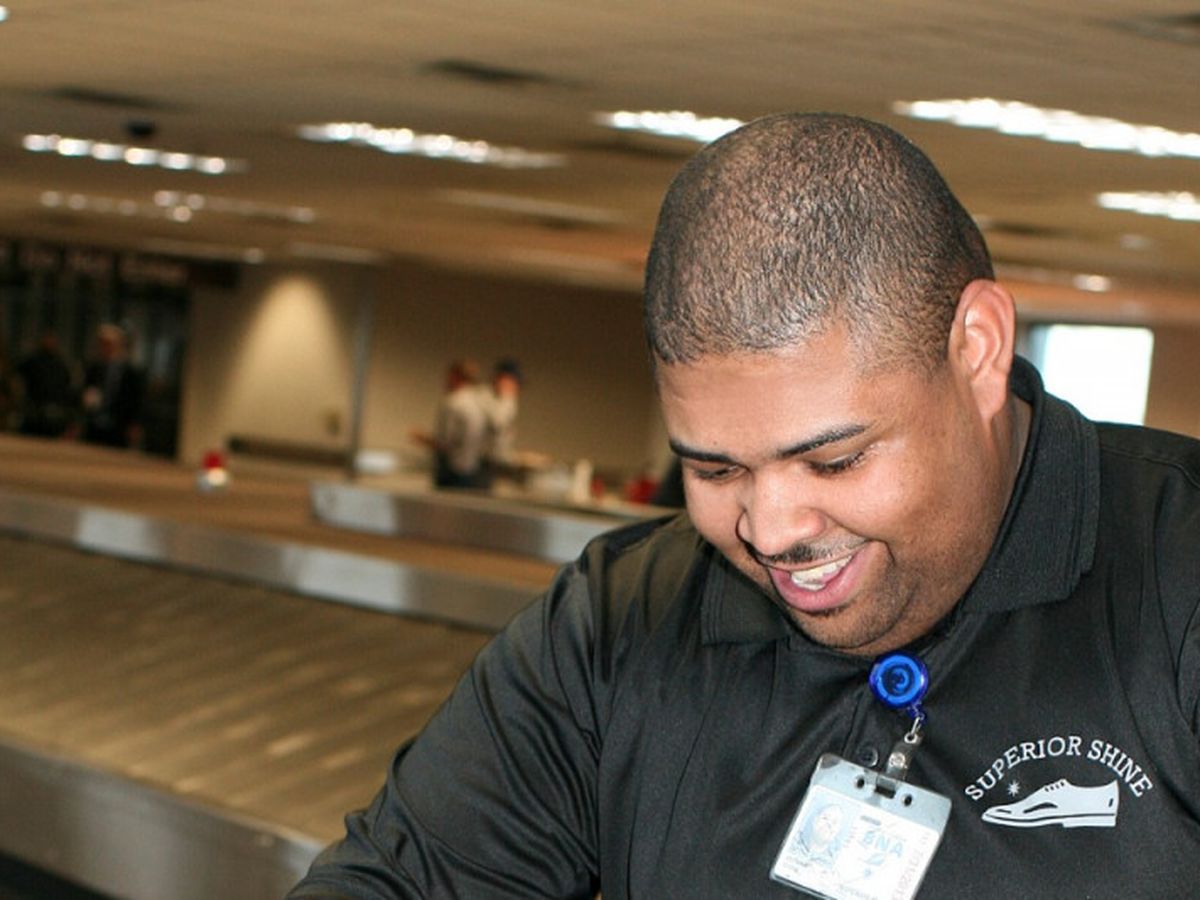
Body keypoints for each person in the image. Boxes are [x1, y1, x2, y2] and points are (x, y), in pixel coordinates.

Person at [289, 114, 1200, 897]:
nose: (772, 532)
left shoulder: (1179, 581)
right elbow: (403, 879)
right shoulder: (623, 621)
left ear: (978, 348)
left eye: (834, 460)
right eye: (715, 470)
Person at [427, 359, 492, 490]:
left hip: (452, 469)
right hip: (473, 468)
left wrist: (424, 439)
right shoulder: (480, 402)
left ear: (455, 377)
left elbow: (446, 442)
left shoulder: (453, 402)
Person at [80, 323, 144, 449]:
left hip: (119, 426)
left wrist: (134, 424)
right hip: (94, 424)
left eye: (107, 344)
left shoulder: (129, 372)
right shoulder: (94, 368)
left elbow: (135, 399)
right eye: (102, 344)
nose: (104, 348)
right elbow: (87, 392)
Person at [15, 330, 77, 438]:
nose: (49, 342)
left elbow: (66, 387)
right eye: (47, 339)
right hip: (33, 409)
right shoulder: (32, 361)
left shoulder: (60, 364)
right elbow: (17, 376)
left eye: (52, 340)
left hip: (53, 411)